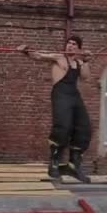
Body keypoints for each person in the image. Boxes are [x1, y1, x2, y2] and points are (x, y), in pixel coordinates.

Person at [17, 35, 92, 183]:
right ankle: (54, 163)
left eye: (74, 44)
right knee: (62, 127)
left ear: (78, 48)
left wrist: (86, 61)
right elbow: (39, 56)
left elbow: (85, 77)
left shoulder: (78, 62)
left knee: (84, 128)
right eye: (68, 43)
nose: (70, 46)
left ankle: (73, 165)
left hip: (74, 95)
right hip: (60, 94)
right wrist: (27, 51)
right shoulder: (58, 58)